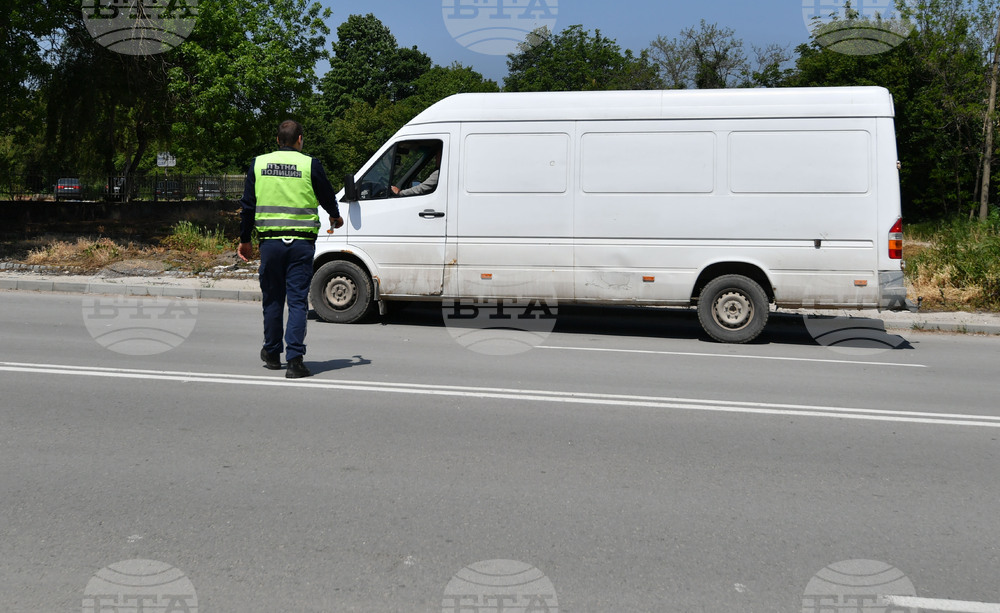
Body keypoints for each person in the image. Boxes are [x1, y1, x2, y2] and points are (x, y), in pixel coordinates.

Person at [237, 120, 344, 378]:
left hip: (271, 244)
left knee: (273, 299)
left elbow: (248, 205)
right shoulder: (310, 164)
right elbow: (327, 194)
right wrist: (335, 215)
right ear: (299, 139)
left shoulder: (258, 164)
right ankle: (295, 361)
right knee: (296, 302)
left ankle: (272, 354)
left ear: (277, 140)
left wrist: (245, 239)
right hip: (301, 245)